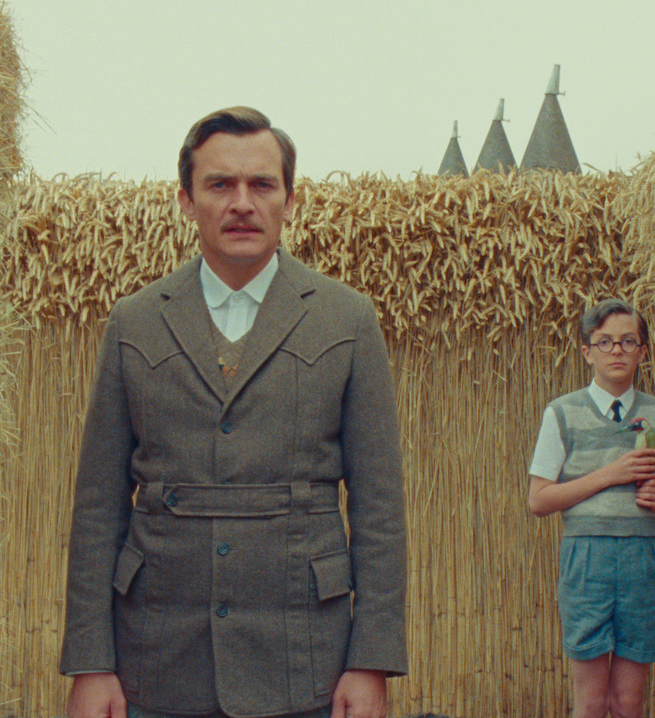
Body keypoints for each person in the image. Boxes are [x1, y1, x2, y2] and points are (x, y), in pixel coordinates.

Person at [59, 107, 407, 718]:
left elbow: (379, 508)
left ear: (289, 200)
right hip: (157, 658)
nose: (241, 203)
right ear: (186, 201)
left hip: (306, 659)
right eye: (219, 184)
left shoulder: (346, 320)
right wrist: (92, 664)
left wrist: (370, 661)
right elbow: (97, 506)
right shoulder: (135, 322)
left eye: (262, 185)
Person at [527, 298, 655, 718]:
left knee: (628, 703)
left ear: (643, 351)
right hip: (587, 560)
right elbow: (539, 499)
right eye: (605, 342)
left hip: (643, 559)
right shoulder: (561, 413)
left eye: (628, 341)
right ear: (587, 352)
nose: (617, 350)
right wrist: (611, 473)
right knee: (590, 704)